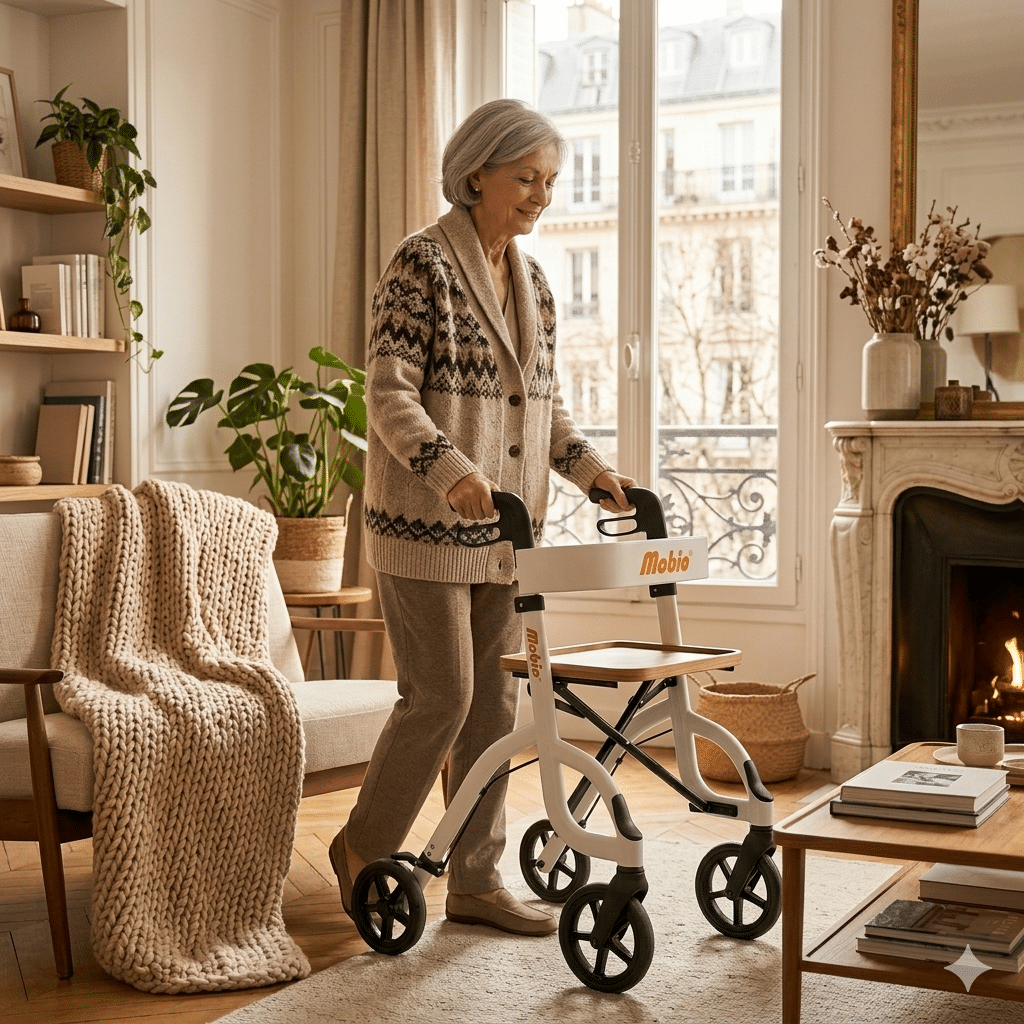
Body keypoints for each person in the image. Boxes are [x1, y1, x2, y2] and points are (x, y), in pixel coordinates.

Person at [330, 98, 636, 937]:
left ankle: (474, 878)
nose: (543, 195)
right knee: (443, 696)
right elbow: (387, 392)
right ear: (476, 176)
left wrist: (593, 473)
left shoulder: (533, 280)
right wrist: (447, 470)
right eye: (527, 178)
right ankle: (364, 847)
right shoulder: (419, 264)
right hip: (425, 528)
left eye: (551, 181)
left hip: (509, 535)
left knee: (497, 712)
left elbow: (544, 410)